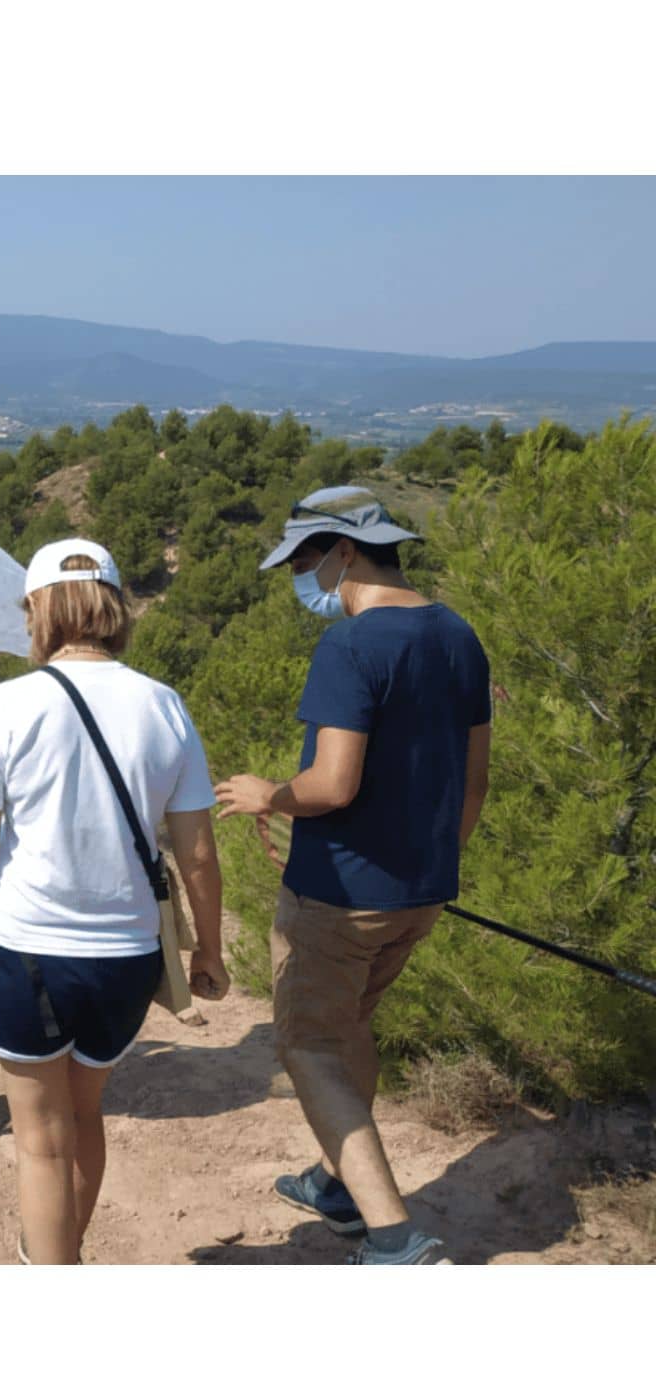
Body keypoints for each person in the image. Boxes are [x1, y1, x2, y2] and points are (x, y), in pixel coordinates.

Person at [0, 539, 227, 1263]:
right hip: (126, 957)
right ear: (113, 608)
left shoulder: (11, 704)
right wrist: (207, 951)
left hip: (28, 952)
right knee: (86, 1115)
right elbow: (199, 854)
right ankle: (66, 1256)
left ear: (43, 610)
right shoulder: (165, 705)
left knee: (41, 1146)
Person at [216, 485, 491, 1266]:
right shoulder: (457, 635)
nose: (302, 579)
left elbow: (333, 784)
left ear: (342, 550)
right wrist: (428, 862)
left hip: (340, 897)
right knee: (349, 1029)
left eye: (304, 560)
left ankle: (395, 1237)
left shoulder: (352, 647)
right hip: (421, 894)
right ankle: (338, 1185)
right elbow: (474, 783)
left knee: (309, 1048)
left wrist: (269, 796)